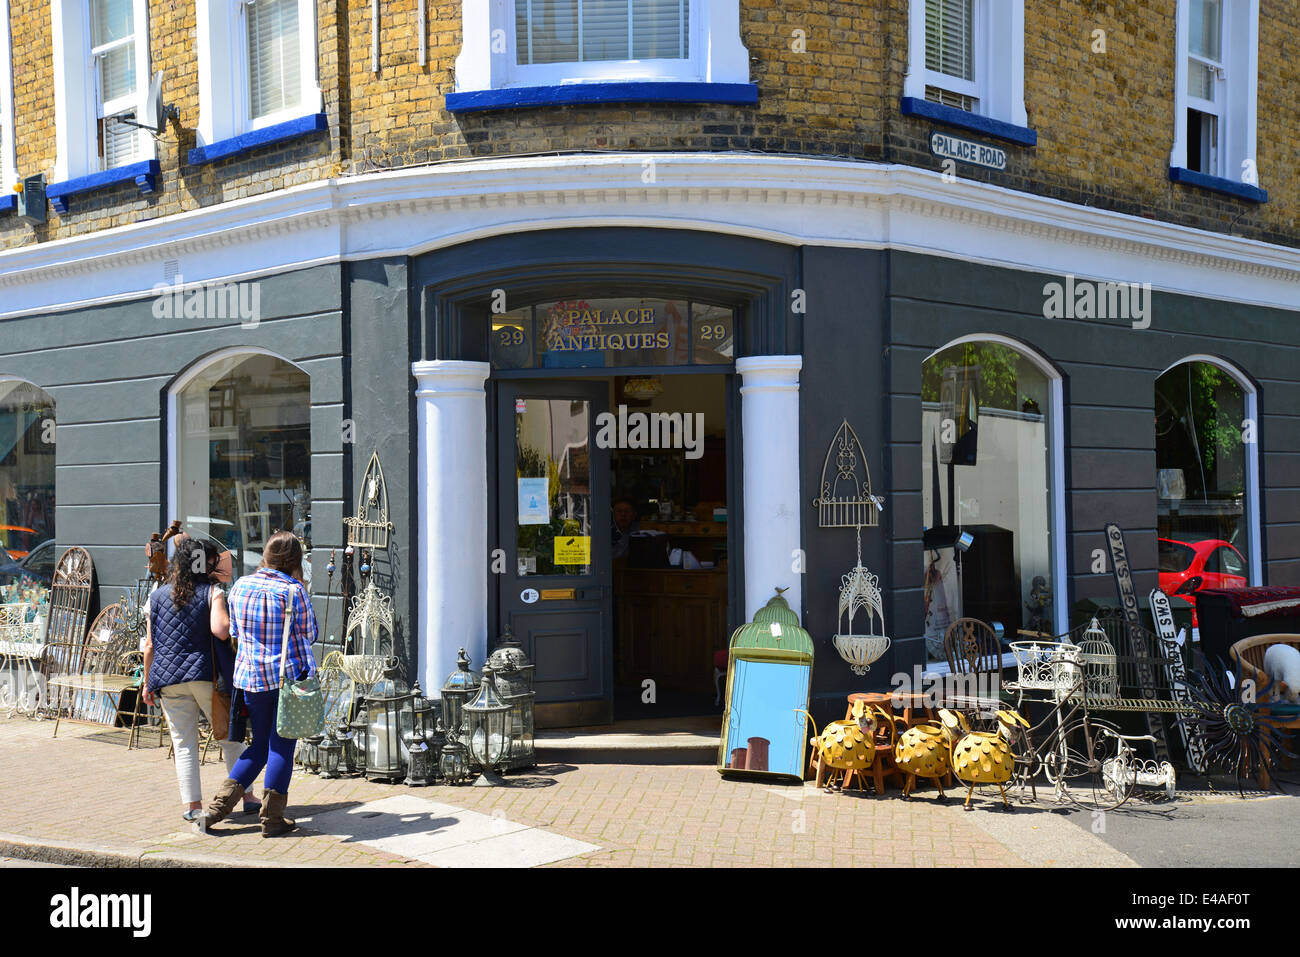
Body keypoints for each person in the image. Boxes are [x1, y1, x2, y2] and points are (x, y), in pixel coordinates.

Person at [199, 531, 317, 837]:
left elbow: (235, 631)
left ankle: (214, 811)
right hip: (284, 679)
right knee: (281, 747)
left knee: (258, 746)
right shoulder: (293, 590)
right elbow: (310, 632)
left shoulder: (240, 586)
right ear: (294, 560)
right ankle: (273, 820)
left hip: (250, 680)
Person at [142, 536, 258, 822]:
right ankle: (247, 796)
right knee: (229, 737)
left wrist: (147, 683)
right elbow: (220, 630)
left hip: (168, 679)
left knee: (183, 743)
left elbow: (149, 646)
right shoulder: (212, 592)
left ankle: (193, 806)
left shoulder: (155, 596)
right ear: (203, 563)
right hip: (205, 676)